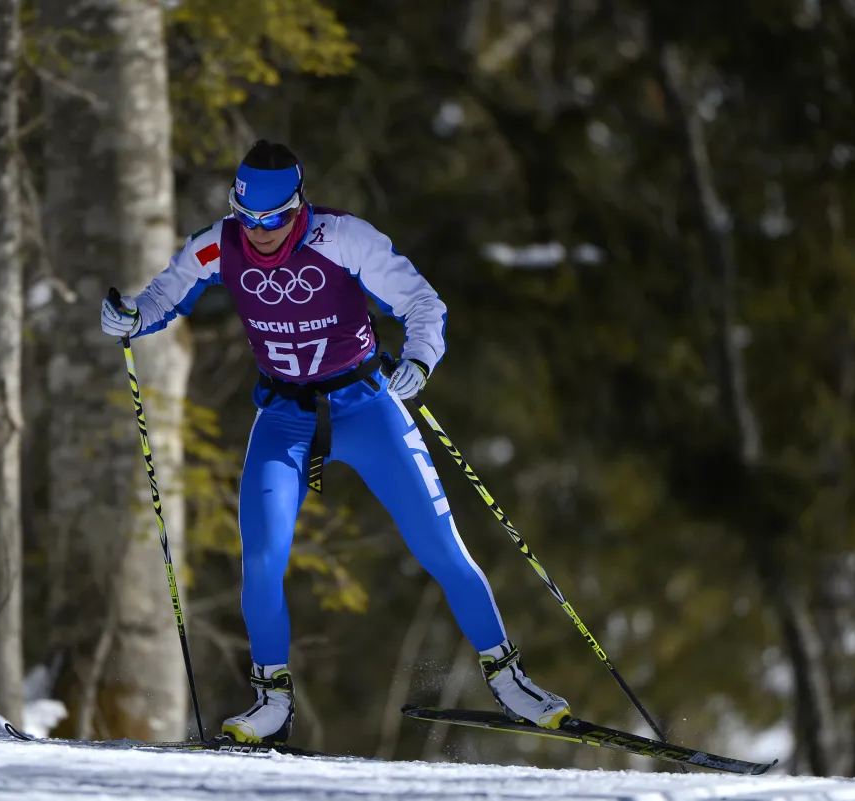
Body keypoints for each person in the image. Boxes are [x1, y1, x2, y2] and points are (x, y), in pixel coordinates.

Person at [101, 140, 571, 744]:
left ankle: (510, 682)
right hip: (284, 416)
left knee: (441, 548)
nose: (261, 233)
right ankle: (272, 700)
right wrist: (134, 317)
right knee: (263, 559)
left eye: (274, 219)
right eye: (249, 219)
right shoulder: (220, 242)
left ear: (298, 206)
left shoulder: (343, 238)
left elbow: (423, 302)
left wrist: (421, 361)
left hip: (367, 405)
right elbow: (168, 290)